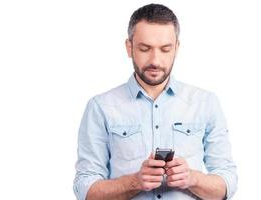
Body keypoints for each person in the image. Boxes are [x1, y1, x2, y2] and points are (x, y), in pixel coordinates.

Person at [73, 3, 237, 200]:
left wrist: (193, 178)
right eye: (145, 49)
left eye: (165, 49)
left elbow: (227, 184)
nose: (156, 60)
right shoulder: (100, 107)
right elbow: (85, 189)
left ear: (177, 48)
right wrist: (135, 182)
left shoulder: (205, 103)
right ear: (129, 47)